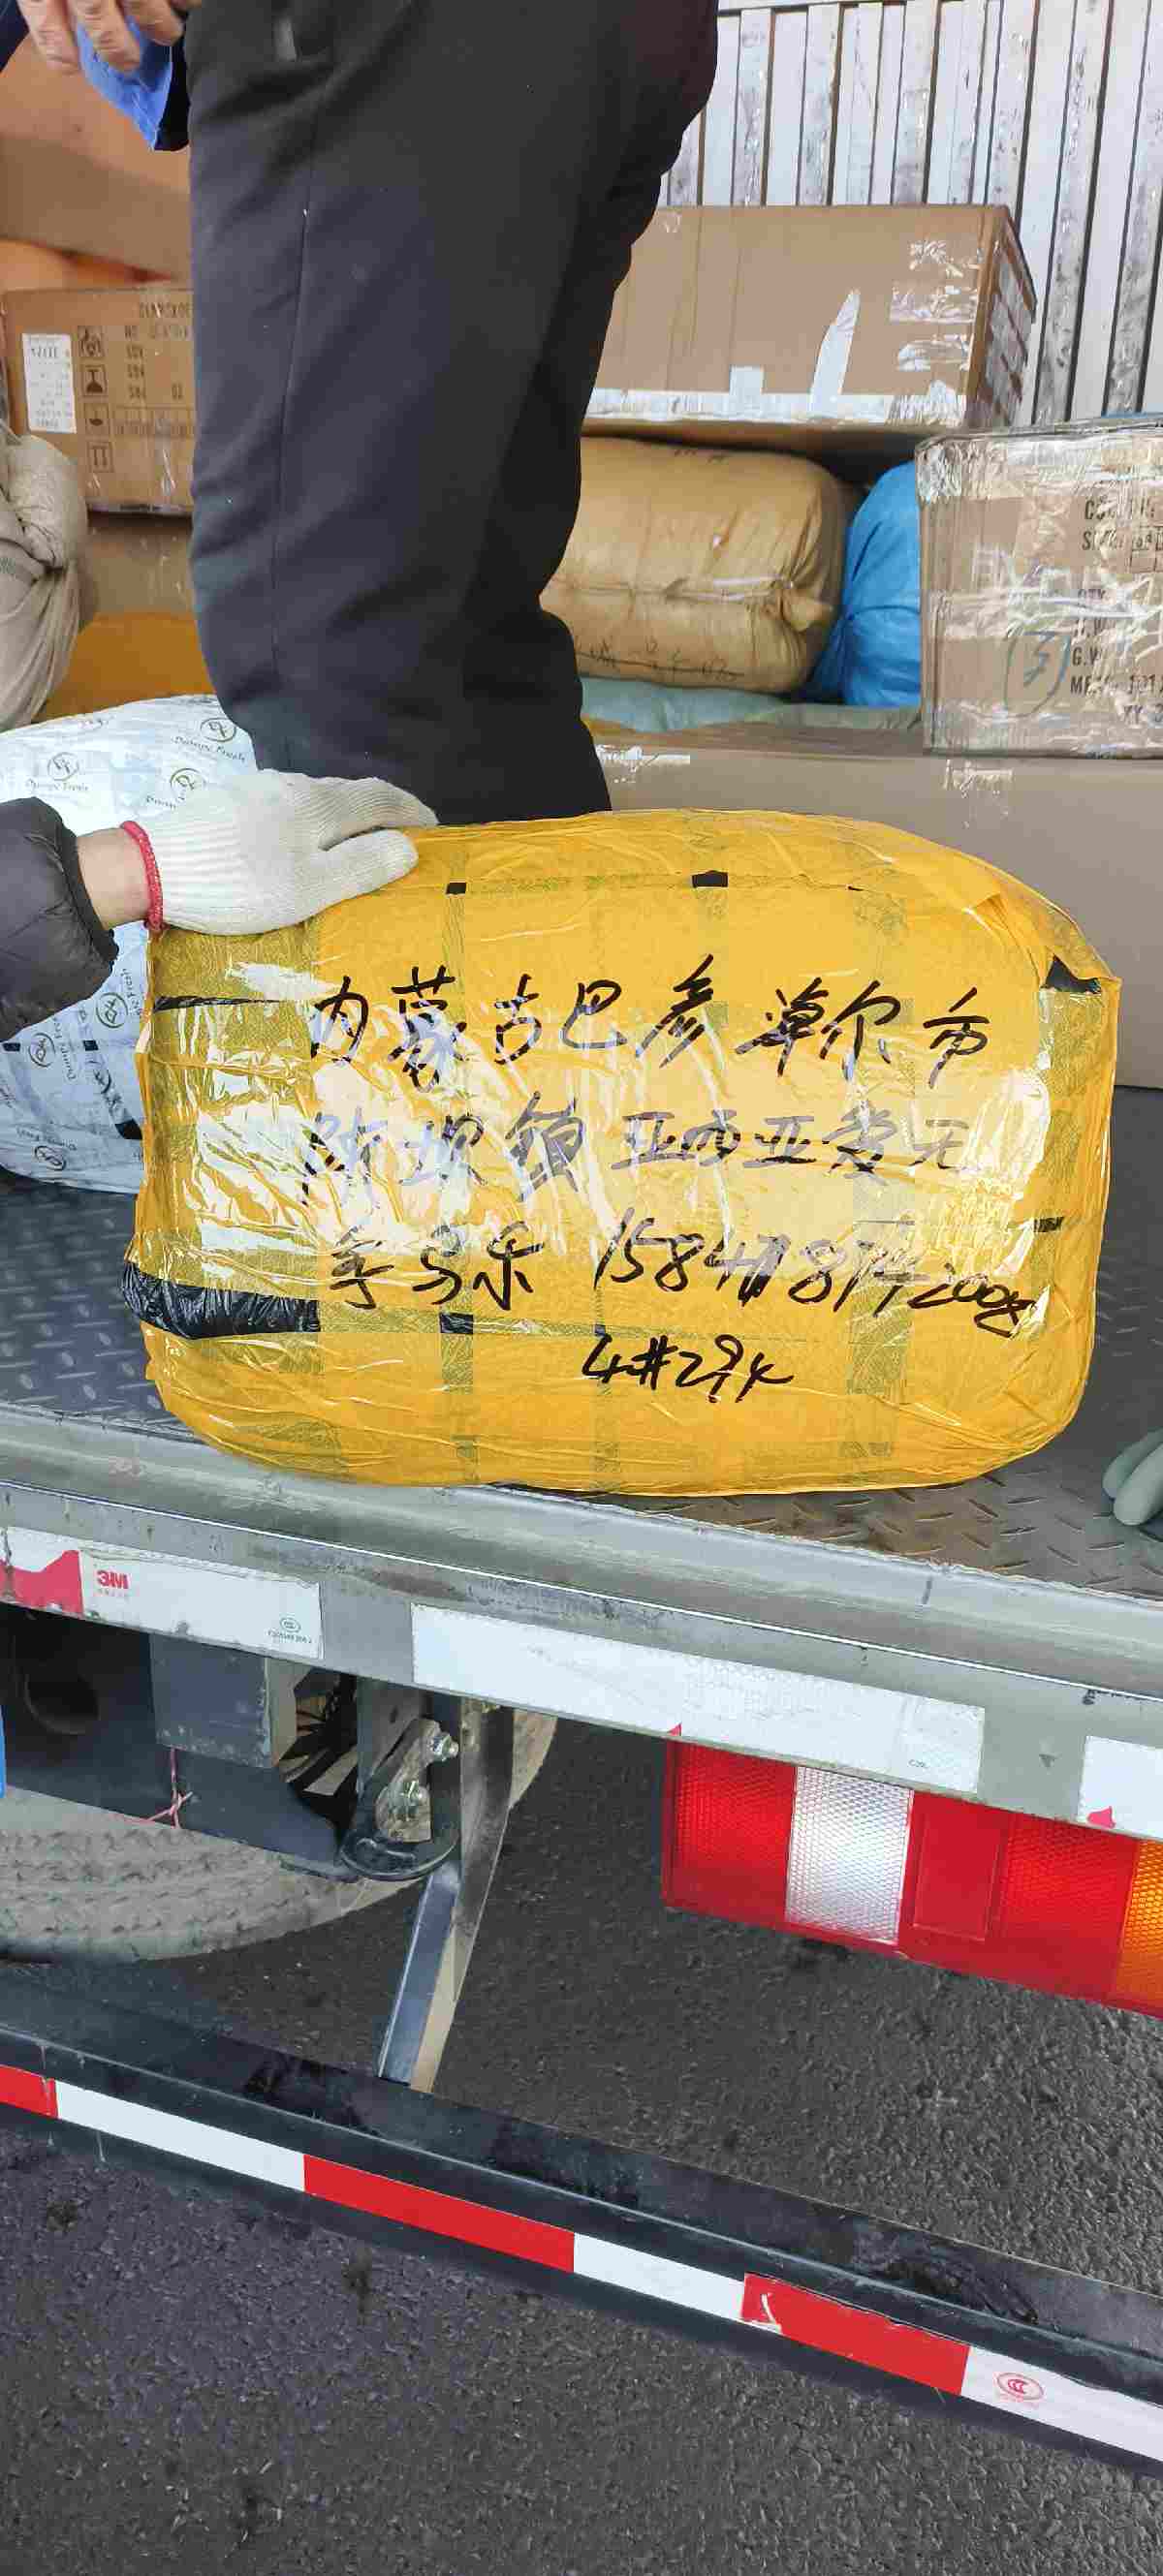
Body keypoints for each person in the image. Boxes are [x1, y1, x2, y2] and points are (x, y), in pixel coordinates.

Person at [0, 0, 719, 1044]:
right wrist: (128, 871)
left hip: (395, 37)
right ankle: (594, 1094)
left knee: (334, 644)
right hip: (560, 40)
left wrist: (136, 868)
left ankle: (485, 1123)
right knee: (450, 646)